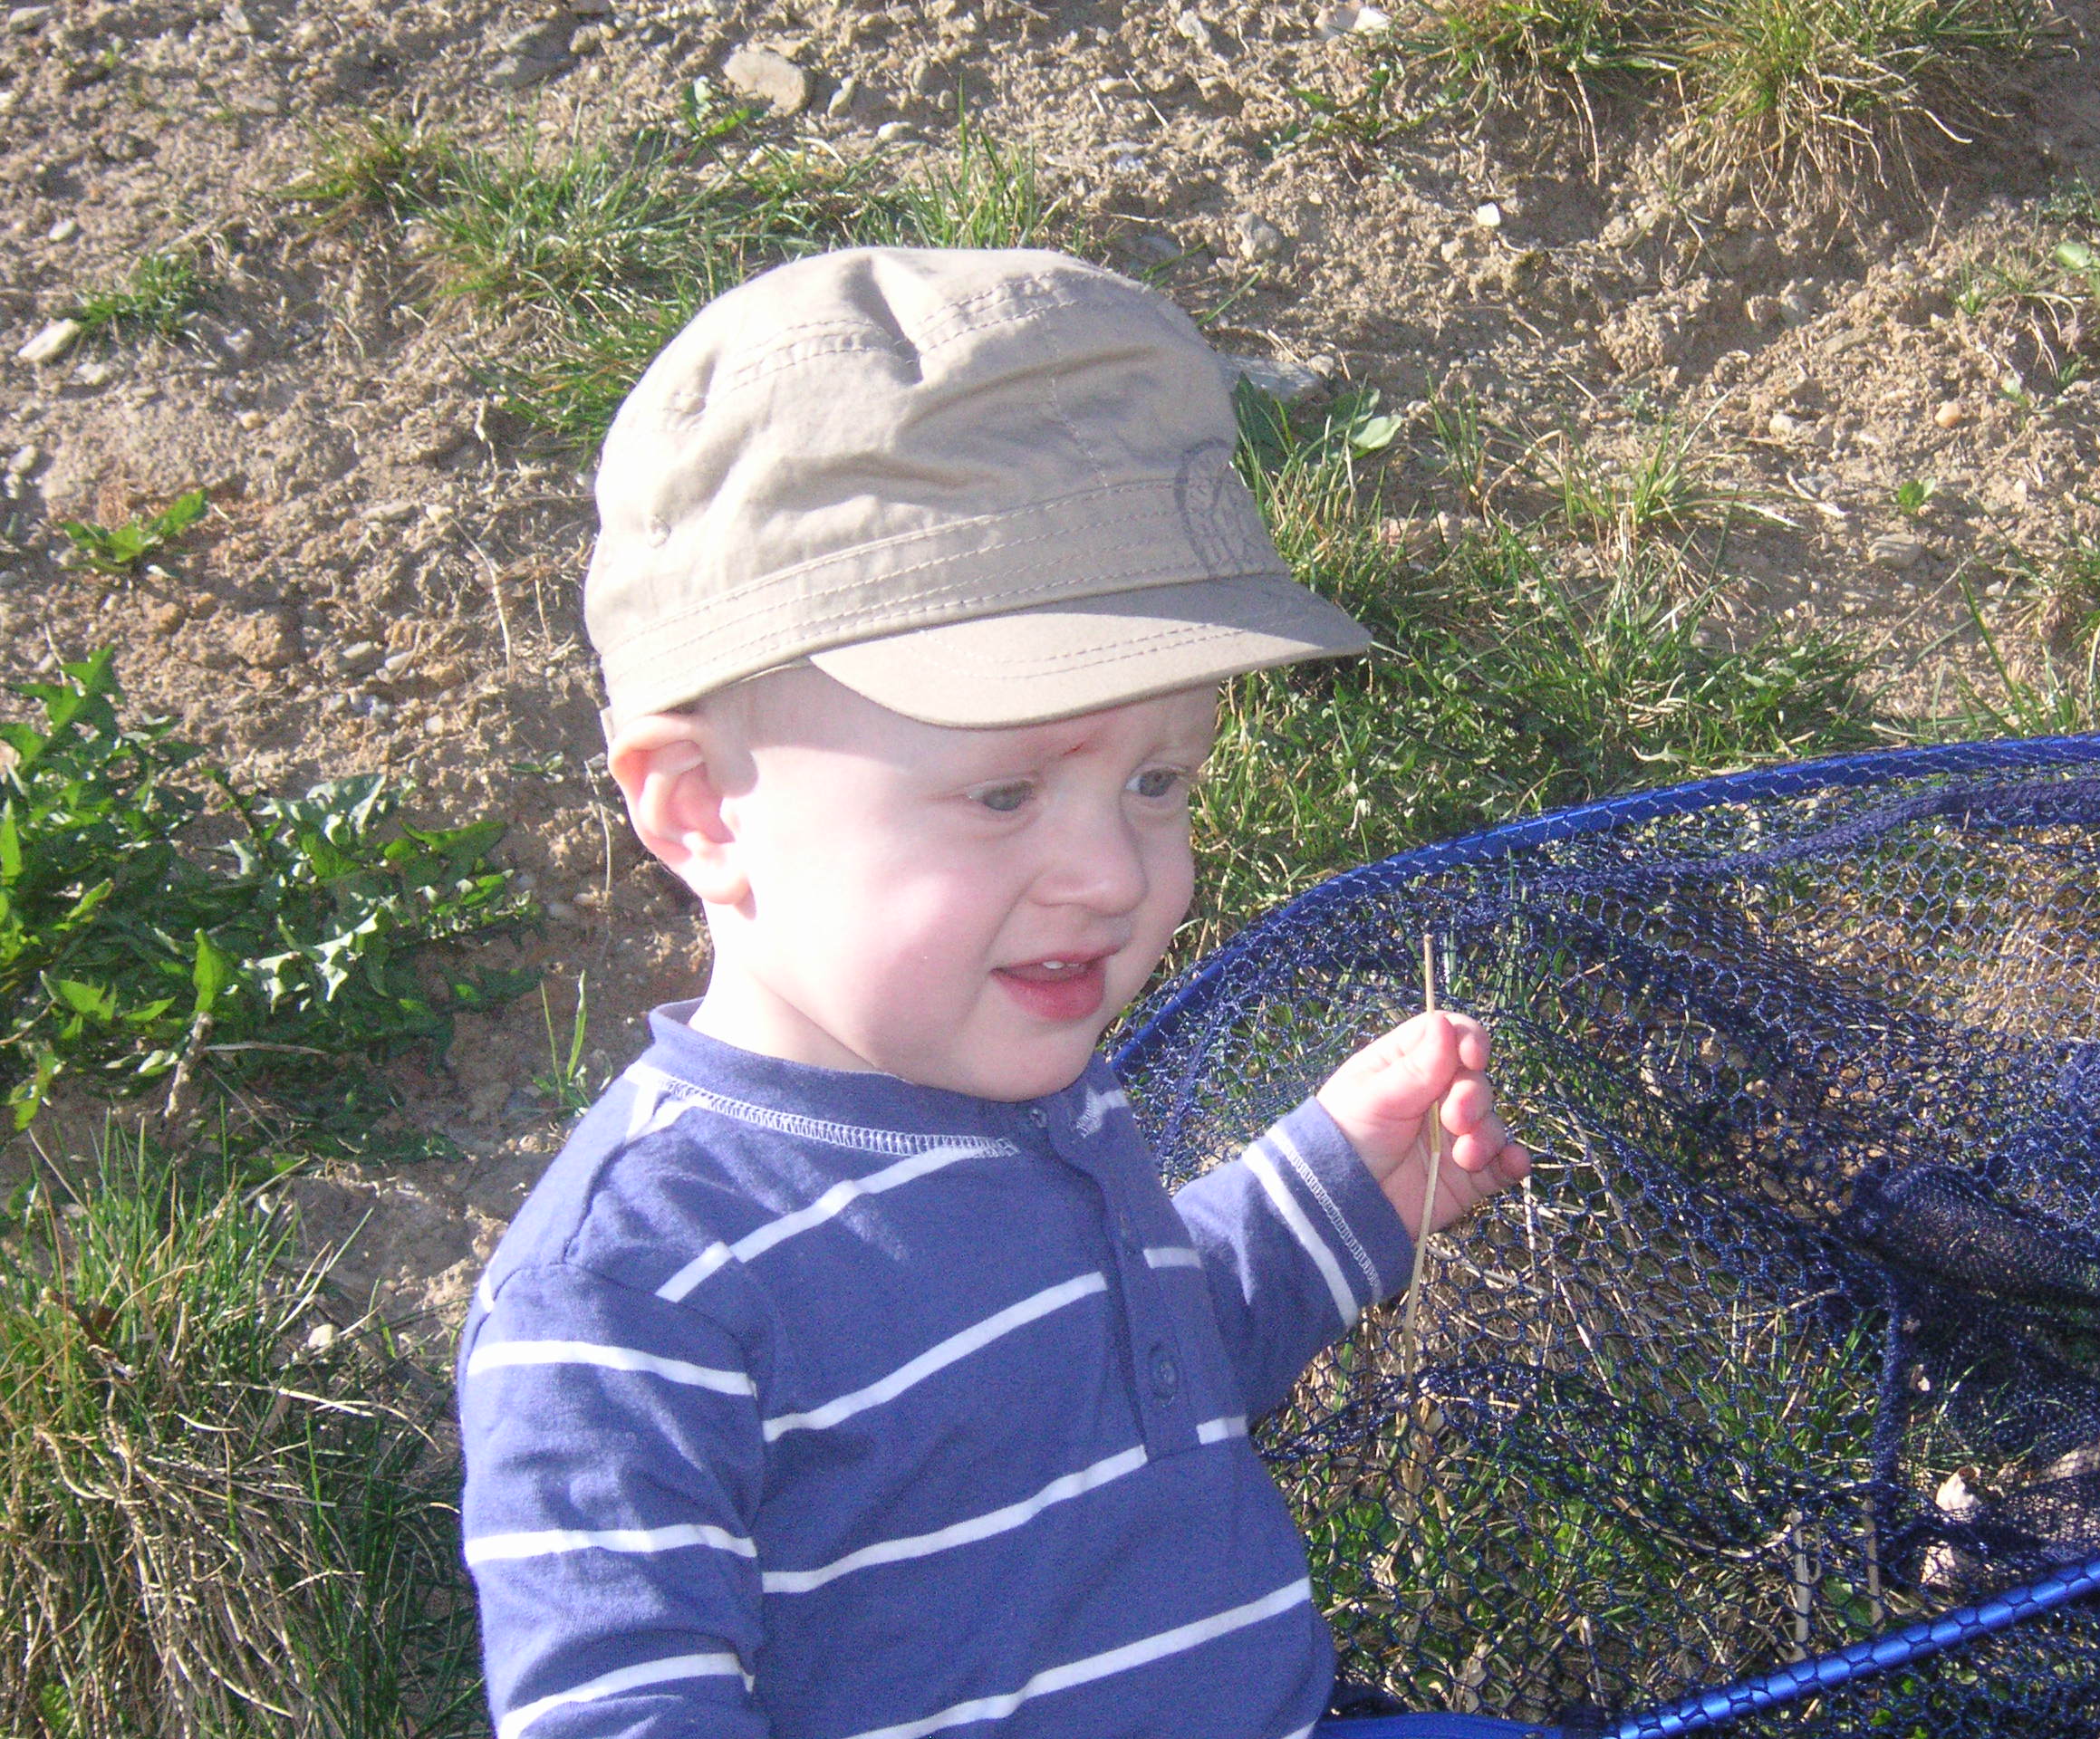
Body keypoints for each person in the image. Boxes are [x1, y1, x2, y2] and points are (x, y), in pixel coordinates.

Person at [457, 246, 1531, 1739]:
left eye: (1159, 780)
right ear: (703, 811)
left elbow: (1100, 1389)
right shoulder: (632, 1294)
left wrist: (1334, 1196)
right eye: (1005, 794)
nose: (1110, 873)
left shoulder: (1030, 1089)